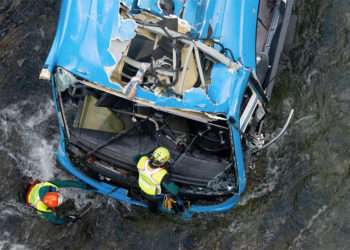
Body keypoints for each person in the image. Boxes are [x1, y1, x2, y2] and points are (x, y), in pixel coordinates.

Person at [137, 147, 184, 212]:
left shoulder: (142, 160)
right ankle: (179, 210)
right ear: (163, 163)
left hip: (142, 188)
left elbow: (139, 159)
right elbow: (174, 190)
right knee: (172, 195)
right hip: (153, 195)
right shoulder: (161, 174)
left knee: (151, 203)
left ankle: (153, 211)